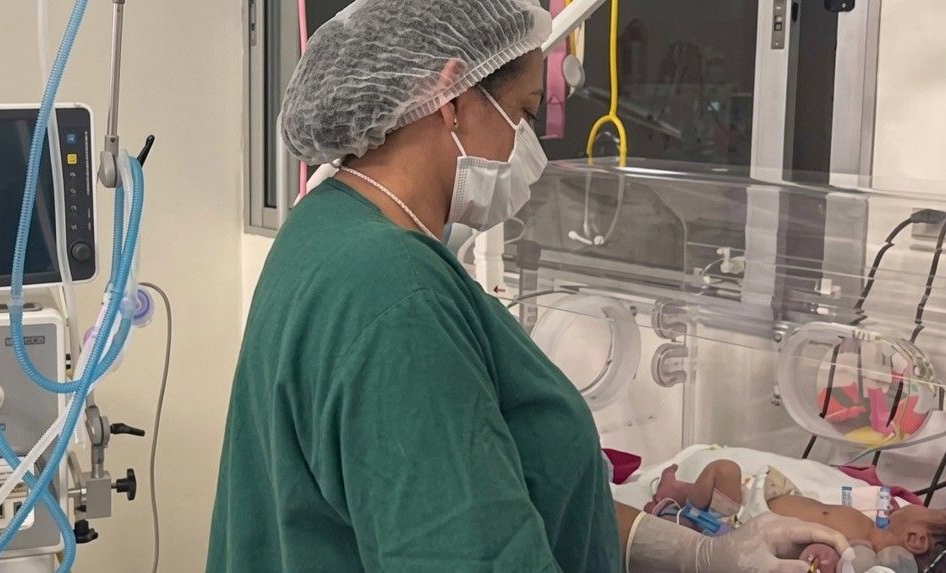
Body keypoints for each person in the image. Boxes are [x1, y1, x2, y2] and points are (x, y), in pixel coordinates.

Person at [207, 1, 849, 571]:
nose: (528, 146)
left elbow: (506, 487)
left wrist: (704, 553)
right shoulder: (398, 298)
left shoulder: (328, 228)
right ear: (452, 97)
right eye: (521, 114)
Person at [646, 460, 946, 572]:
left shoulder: (856, 551)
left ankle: (683, 509)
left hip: (745, 523)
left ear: (915, 539)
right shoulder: (873, 526)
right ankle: (680, 493)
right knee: (732, 482)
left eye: (928, 508)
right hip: (763, 499)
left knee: (724, 470)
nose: (914, 502)